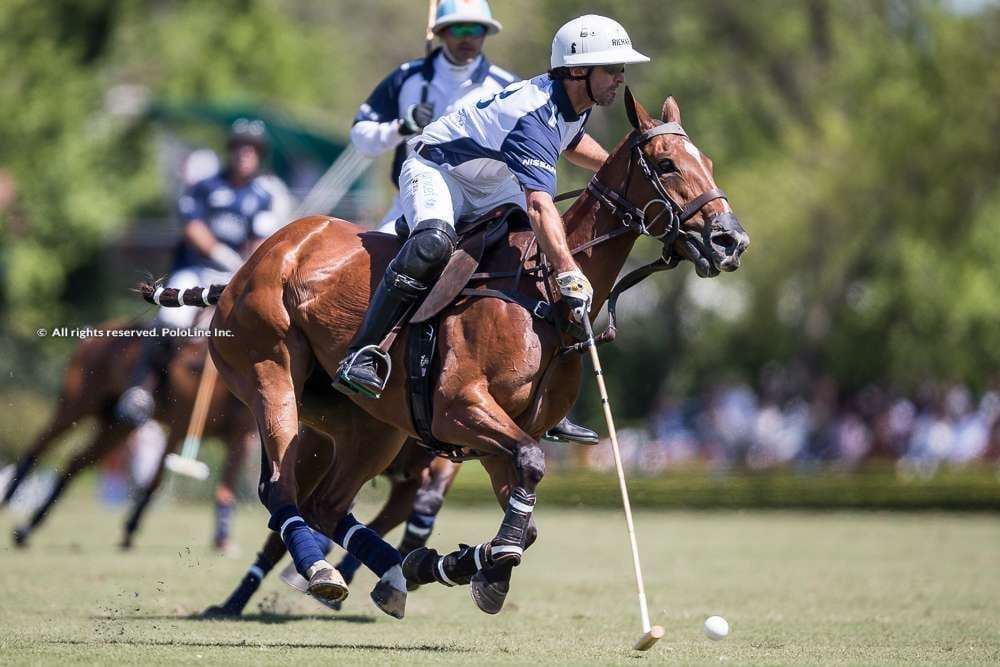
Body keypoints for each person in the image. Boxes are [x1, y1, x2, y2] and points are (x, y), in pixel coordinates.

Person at [115, 119, 280, 427]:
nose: (246, 154)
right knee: (169, 320)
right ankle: (141, 389)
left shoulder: (262, 196)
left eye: (253, 149)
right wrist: (219, 251)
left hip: (232, 278)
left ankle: (245, 406)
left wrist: (245, 264)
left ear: (259, 155)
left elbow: (259, 239)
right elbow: (192, 227)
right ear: (232, 151)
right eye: (241, 147)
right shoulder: (206, 186)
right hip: (195, 269)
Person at [350, 0, 516, 231]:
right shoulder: (407, 78)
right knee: (377, 263)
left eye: (476, 29)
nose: (467, 37)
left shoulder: (506, 87)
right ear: (441, 32)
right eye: (459, 28)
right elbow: (361, 140)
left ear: (486, 33)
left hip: (487, 206)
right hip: (414, 201)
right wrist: (402, 128)